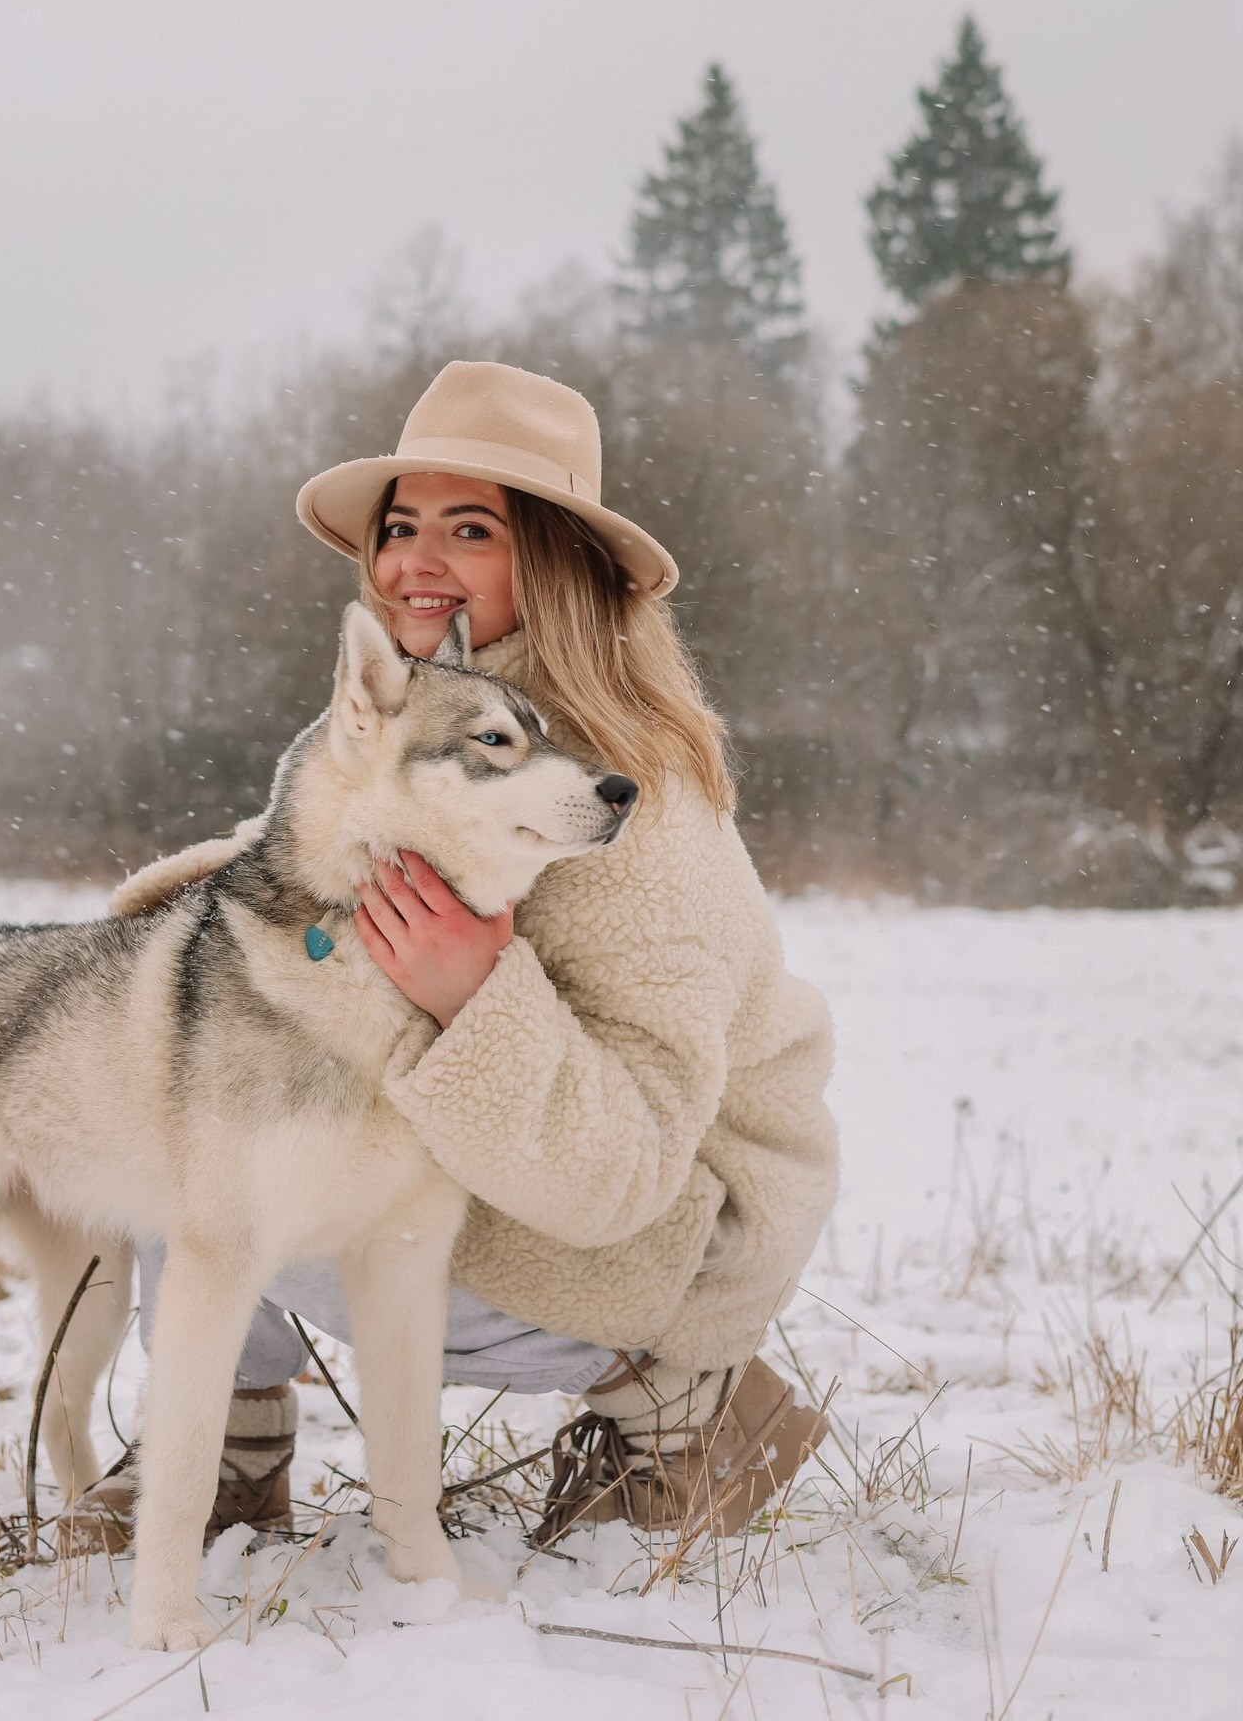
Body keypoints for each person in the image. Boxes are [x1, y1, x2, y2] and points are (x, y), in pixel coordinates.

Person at [72, 360, 838, 1550]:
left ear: (557, 564)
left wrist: (478, 993)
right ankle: (223, 1441)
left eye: (468, 529)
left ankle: (685, 1397)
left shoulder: (630, 810)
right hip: (511, 1177)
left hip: (666, 1241)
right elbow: (294, 862)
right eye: (400, 527)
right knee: (194, 1081)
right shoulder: (428, 726)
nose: (414, 562)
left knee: (225, 1172)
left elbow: (624, 1175)